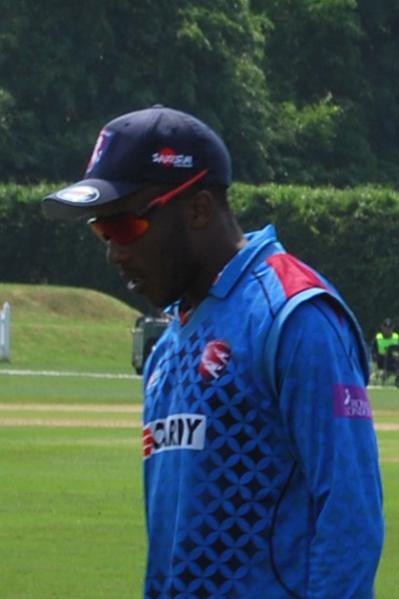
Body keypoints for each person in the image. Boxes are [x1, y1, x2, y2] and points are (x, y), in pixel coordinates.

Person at [42, 105, 384, 598]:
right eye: (101, 231)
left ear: (198, 208)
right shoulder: (167, 349)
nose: (113, 253)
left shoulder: (293, 315)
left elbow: (350, 516)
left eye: (123, 228)